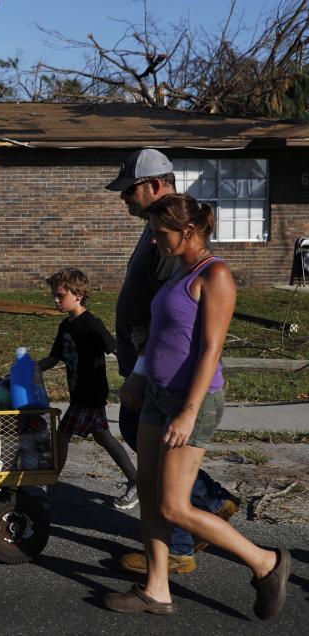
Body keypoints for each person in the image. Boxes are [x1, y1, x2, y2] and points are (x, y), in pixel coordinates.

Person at [104, 194, 290, 619]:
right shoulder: (178, 274)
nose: (154, 241)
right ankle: (156, 591)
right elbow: (161, 334)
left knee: (174, 506)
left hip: (194, 401)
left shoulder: (215, 275)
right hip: (156, 394)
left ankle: (266, 563)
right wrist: (138, 373)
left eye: (160, 233)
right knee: (150, 496)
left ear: (188, 232)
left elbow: (210, 350)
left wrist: (188, 411)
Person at [107, 149, 238, 575]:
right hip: (154, 371)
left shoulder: (176, 244)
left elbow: (184, 326)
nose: (124, 199)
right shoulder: (159, 231)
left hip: (170, 378)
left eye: (130, 190)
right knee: (144, 451)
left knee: (162, 474)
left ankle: (189, 537)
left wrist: (144, 368)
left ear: (156, 186)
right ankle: (175, 549)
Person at [38, 268, 137, 509]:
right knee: (103, 438)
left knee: (62, 436)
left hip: (90, 394)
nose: (56, 300)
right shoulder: (65, 327)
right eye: (55, 295)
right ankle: (136, 482)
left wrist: (135, 376)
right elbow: (53, 358)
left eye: (60, 295)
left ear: (78, 294)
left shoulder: (91, 324)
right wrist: (30, 367)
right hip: (79, 393)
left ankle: (49, 485)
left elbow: (115, 349)